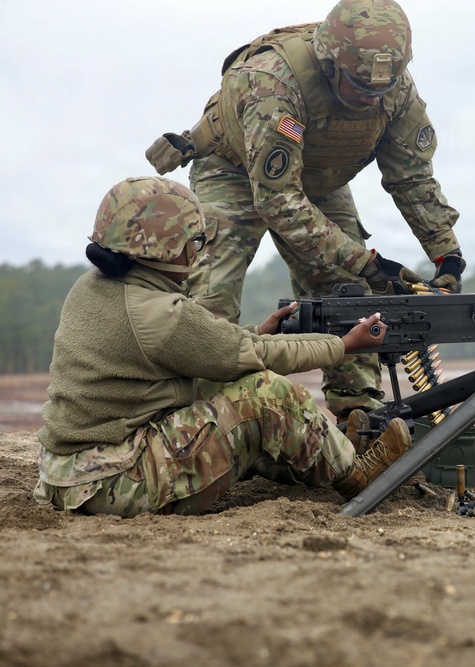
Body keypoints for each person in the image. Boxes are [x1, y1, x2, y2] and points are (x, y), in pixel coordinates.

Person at [145, 0, 466, 421]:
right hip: (236, 168)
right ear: (331, 64)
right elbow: (278, 199)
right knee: (212, 296)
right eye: (360, 86)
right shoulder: (275, 84)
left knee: (348, 289)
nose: (372, 98)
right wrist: (368, 262)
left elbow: (413, 178)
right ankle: (204, 419)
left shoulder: (393, 89)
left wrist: (448, 256)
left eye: (380, 89)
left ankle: (358, 413)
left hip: (318, 177)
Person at [34, 176, 411, 517]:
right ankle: (355, 474)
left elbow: (210, 348)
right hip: (113, 482)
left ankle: (328, 456)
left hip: (68, 475)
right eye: (194, 240)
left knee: (222, 388)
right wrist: (344, 344)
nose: (199, 251)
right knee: (267, 394)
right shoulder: (158, 312)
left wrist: (256, 334)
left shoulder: (91, 287)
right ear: (163, 246)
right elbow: (257, 358)